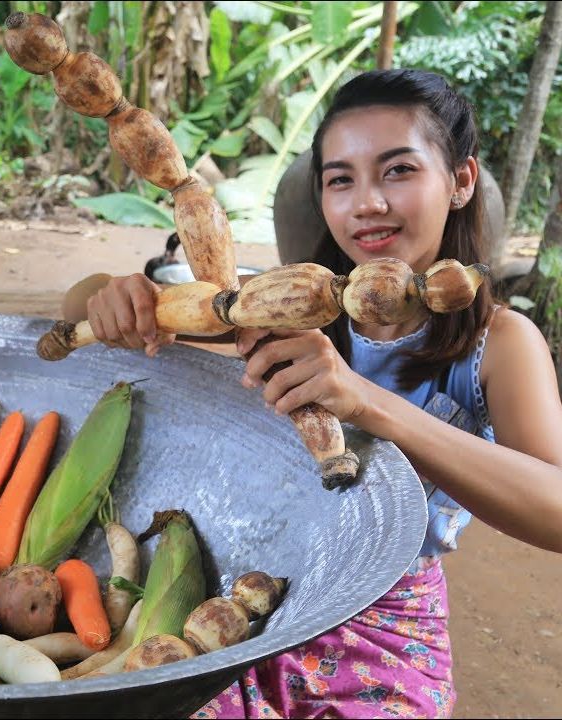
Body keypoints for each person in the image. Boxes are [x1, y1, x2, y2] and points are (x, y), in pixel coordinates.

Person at [64, 68, 562, 718]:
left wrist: (366, 402)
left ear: (461, 181)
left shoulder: (498, 342)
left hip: (384, 626)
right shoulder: (294, 301)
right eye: (340, 179)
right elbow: (75, 305)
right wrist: (109, 298)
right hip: (245, 586)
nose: (367, 202)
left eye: (398, 171)